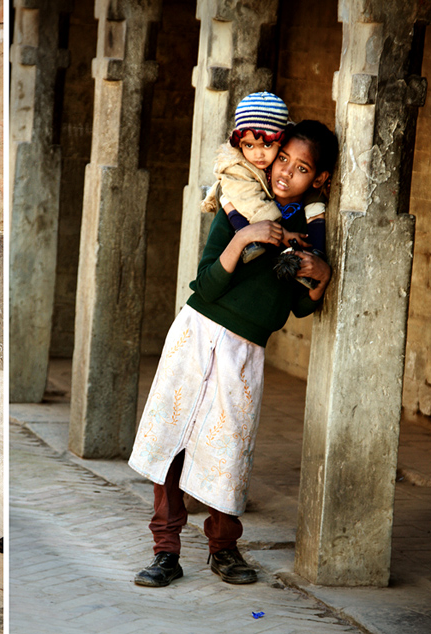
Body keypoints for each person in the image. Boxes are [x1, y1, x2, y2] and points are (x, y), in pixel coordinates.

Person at [128, 119, 337, 587]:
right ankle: (165, 552)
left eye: (302, 168)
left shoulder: (310, 228)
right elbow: (206, 283)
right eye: (283, 159)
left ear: (319, 180)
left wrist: (321, 275)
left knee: (230, 448)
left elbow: (301, 307)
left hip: (245, 351)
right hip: (197, 333)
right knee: (173, 444)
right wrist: (245, 237)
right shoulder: (238, 202)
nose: (286, 172)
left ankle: (223, 549)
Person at [201, 93, 328, 269]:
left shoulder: (277, 164)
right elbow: (251, 203)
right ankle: (245, 237)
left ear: (280, 142)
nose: (258, 154)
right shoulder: (238, 167)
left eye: (267, 145)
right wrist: (280, 233)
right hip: (239, 198)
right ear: (240, 144)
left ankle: (316, 253)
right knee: (227, 197)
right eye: (249, 145)